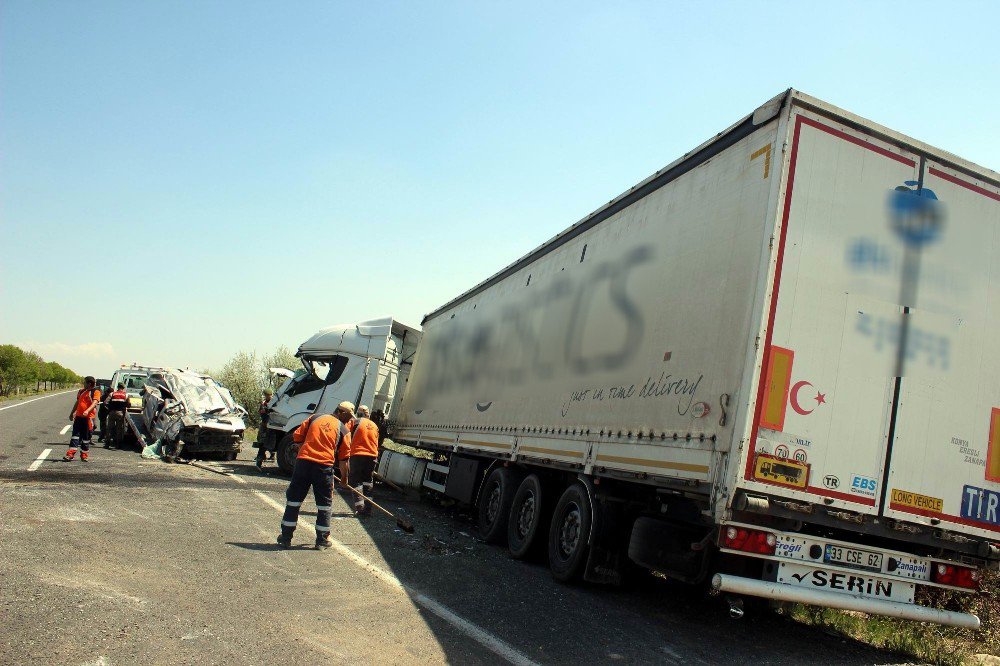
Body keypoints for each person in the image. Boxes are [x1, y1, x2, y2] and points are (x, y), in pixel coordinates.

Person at [277, 401, 354, 550]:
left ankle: (285, 538)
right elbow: (344, 461)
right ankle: (322, 541)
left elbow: (297, 436)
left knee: (294, 500)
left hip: (303, 465)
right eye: (349, 416)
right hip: (323, 468)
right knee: (324, 505)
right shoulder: (344, 430)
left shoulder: (315, 418)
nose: (350, 420)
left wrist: (304, 452)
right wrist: (344, 480)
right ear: (341, 413)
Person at [346, 405, 381, 516]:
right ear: (368, 414)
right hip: (372, 456)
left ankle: (360, 508)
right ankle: (368, 509)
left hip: (358, 454)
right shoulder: (374, 425)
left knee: (355, 480)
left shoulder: (354, 422)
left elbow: (345, 435)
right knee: (368, 481)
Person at [63, 377, 102, 462]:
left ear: (89, 383)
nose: (83, 384)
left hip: (88, 418)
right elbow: (77, 402)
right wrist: (72, 413)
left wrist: (87, 411)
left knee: (86, 437)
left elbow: (95, 402)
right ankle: (70, 454)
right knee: (75, 436)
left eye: (84, 382)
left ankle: (84, 455)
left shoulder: (96, 392)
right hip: (78, 417)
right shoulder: (81, 391)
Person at [254, 389, 274, 469]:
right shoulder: (264, 403)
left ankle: (264, 457)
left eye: (268, 395)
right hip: (265, 423)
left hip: (270, 424)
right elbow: (261, 413)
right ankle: (264, 456)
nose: (267, 396)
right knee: (261, 439)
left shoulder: (274, 402)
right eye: (266, 395)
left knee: (265, 440)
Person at [105, 383, 129, 449]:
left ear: (118, 387)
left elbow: (105, 403)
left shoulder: (112, 394)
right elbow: (128, 404)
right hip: (120, 413)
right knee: (119, 429)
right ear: (123, 388)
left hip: (112, 412)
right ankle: (118, 445)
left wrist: (109, 409)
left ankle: (107, 444)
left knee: (110, 428)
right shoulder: (125, 395)